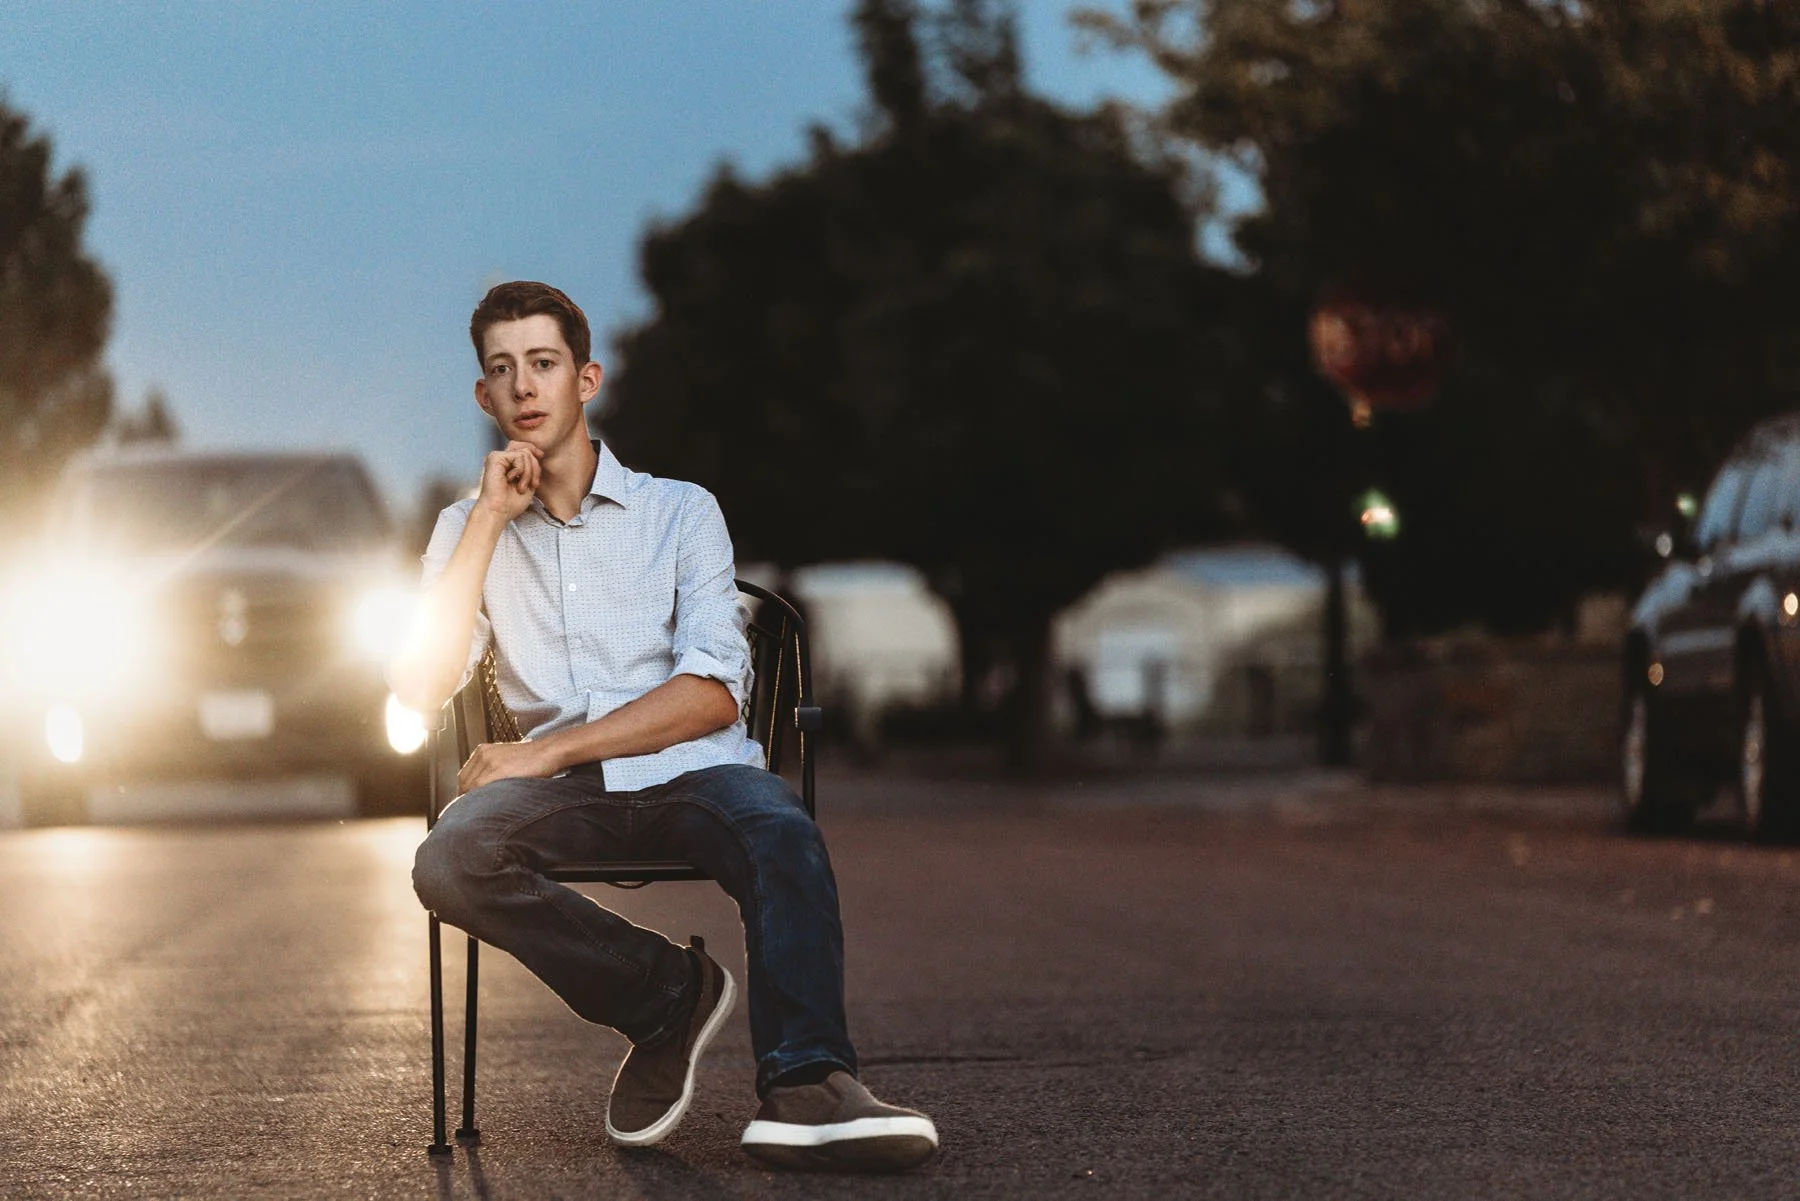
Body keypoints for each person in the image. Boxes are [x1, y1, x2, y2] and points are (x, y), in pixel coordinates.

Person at [390, 281, 938, 1173]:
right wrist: (488, 520)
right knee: (448, 858)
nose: (525, 387)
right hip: (562, 798)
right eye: (503, 370)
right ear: (484, 398)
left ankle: (807, 1084)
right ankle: (664, 997)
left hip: (693, 773)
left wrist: (547, 748)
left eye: (544, 363)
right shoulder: (464, 526)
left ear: (586, 378)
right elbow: (418, 685)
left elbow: (714, 693)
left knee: (777, 827)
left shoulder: (681, 511)